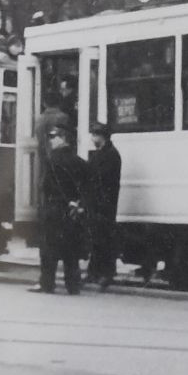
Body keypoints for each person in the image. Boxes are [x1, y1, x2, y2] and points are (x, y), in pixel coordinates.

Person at [33, 125, 89, 295]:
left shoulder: (52, 160)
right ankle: (73, 284)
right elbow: (88, 185)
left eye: (53, 136)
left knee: (49, 248)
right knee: (70, 249)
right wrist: (78, 203)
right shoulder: (78, 161)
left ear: (62, 138)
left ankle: (47, 283)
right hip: (72, 210)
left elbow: (45, 186)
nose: (50, 140)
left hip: (54, 208)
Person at [85, 122, 123, 291]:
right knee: (98, 238)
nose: (93, 138)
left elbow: (99, 179)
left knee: (104, 239)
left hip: (104, 203)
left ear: (102, 136)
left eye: (95, 135)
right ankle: (95, 271)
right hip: (100, 203)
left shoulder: (110, 156)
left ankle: (105, 273)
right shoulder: (106, 154)